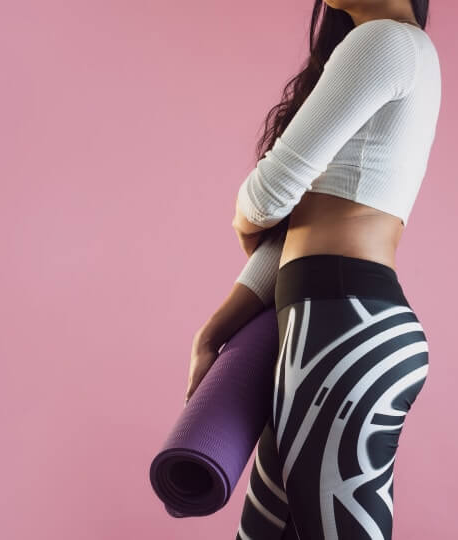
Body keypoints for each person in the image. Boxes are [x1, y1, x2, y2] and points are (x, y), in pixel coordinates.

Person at [188, 1, 441, 538]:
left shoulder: (385, 41)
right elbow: (290, 235)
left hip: (339, 332)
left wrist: (245, 222)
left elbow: (269, 193)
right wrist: (213, 334)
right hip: (334, 326)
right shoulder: (400, 50)